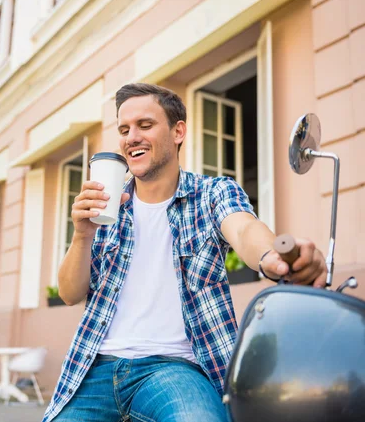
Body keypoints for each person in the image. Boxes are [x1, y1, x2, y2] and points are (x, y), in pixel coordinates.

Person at [43, 83, 327, 422]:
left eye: (145, 125)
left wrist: (274, 259)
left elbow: (243, 228)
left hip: (175, 367)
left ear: (178, 131)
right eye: (124, 129)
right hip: (96, 367)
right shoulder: (108, 208)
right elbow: (70, 293)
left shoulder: (211, 193)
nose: (131, 136)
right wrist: (82, 235)